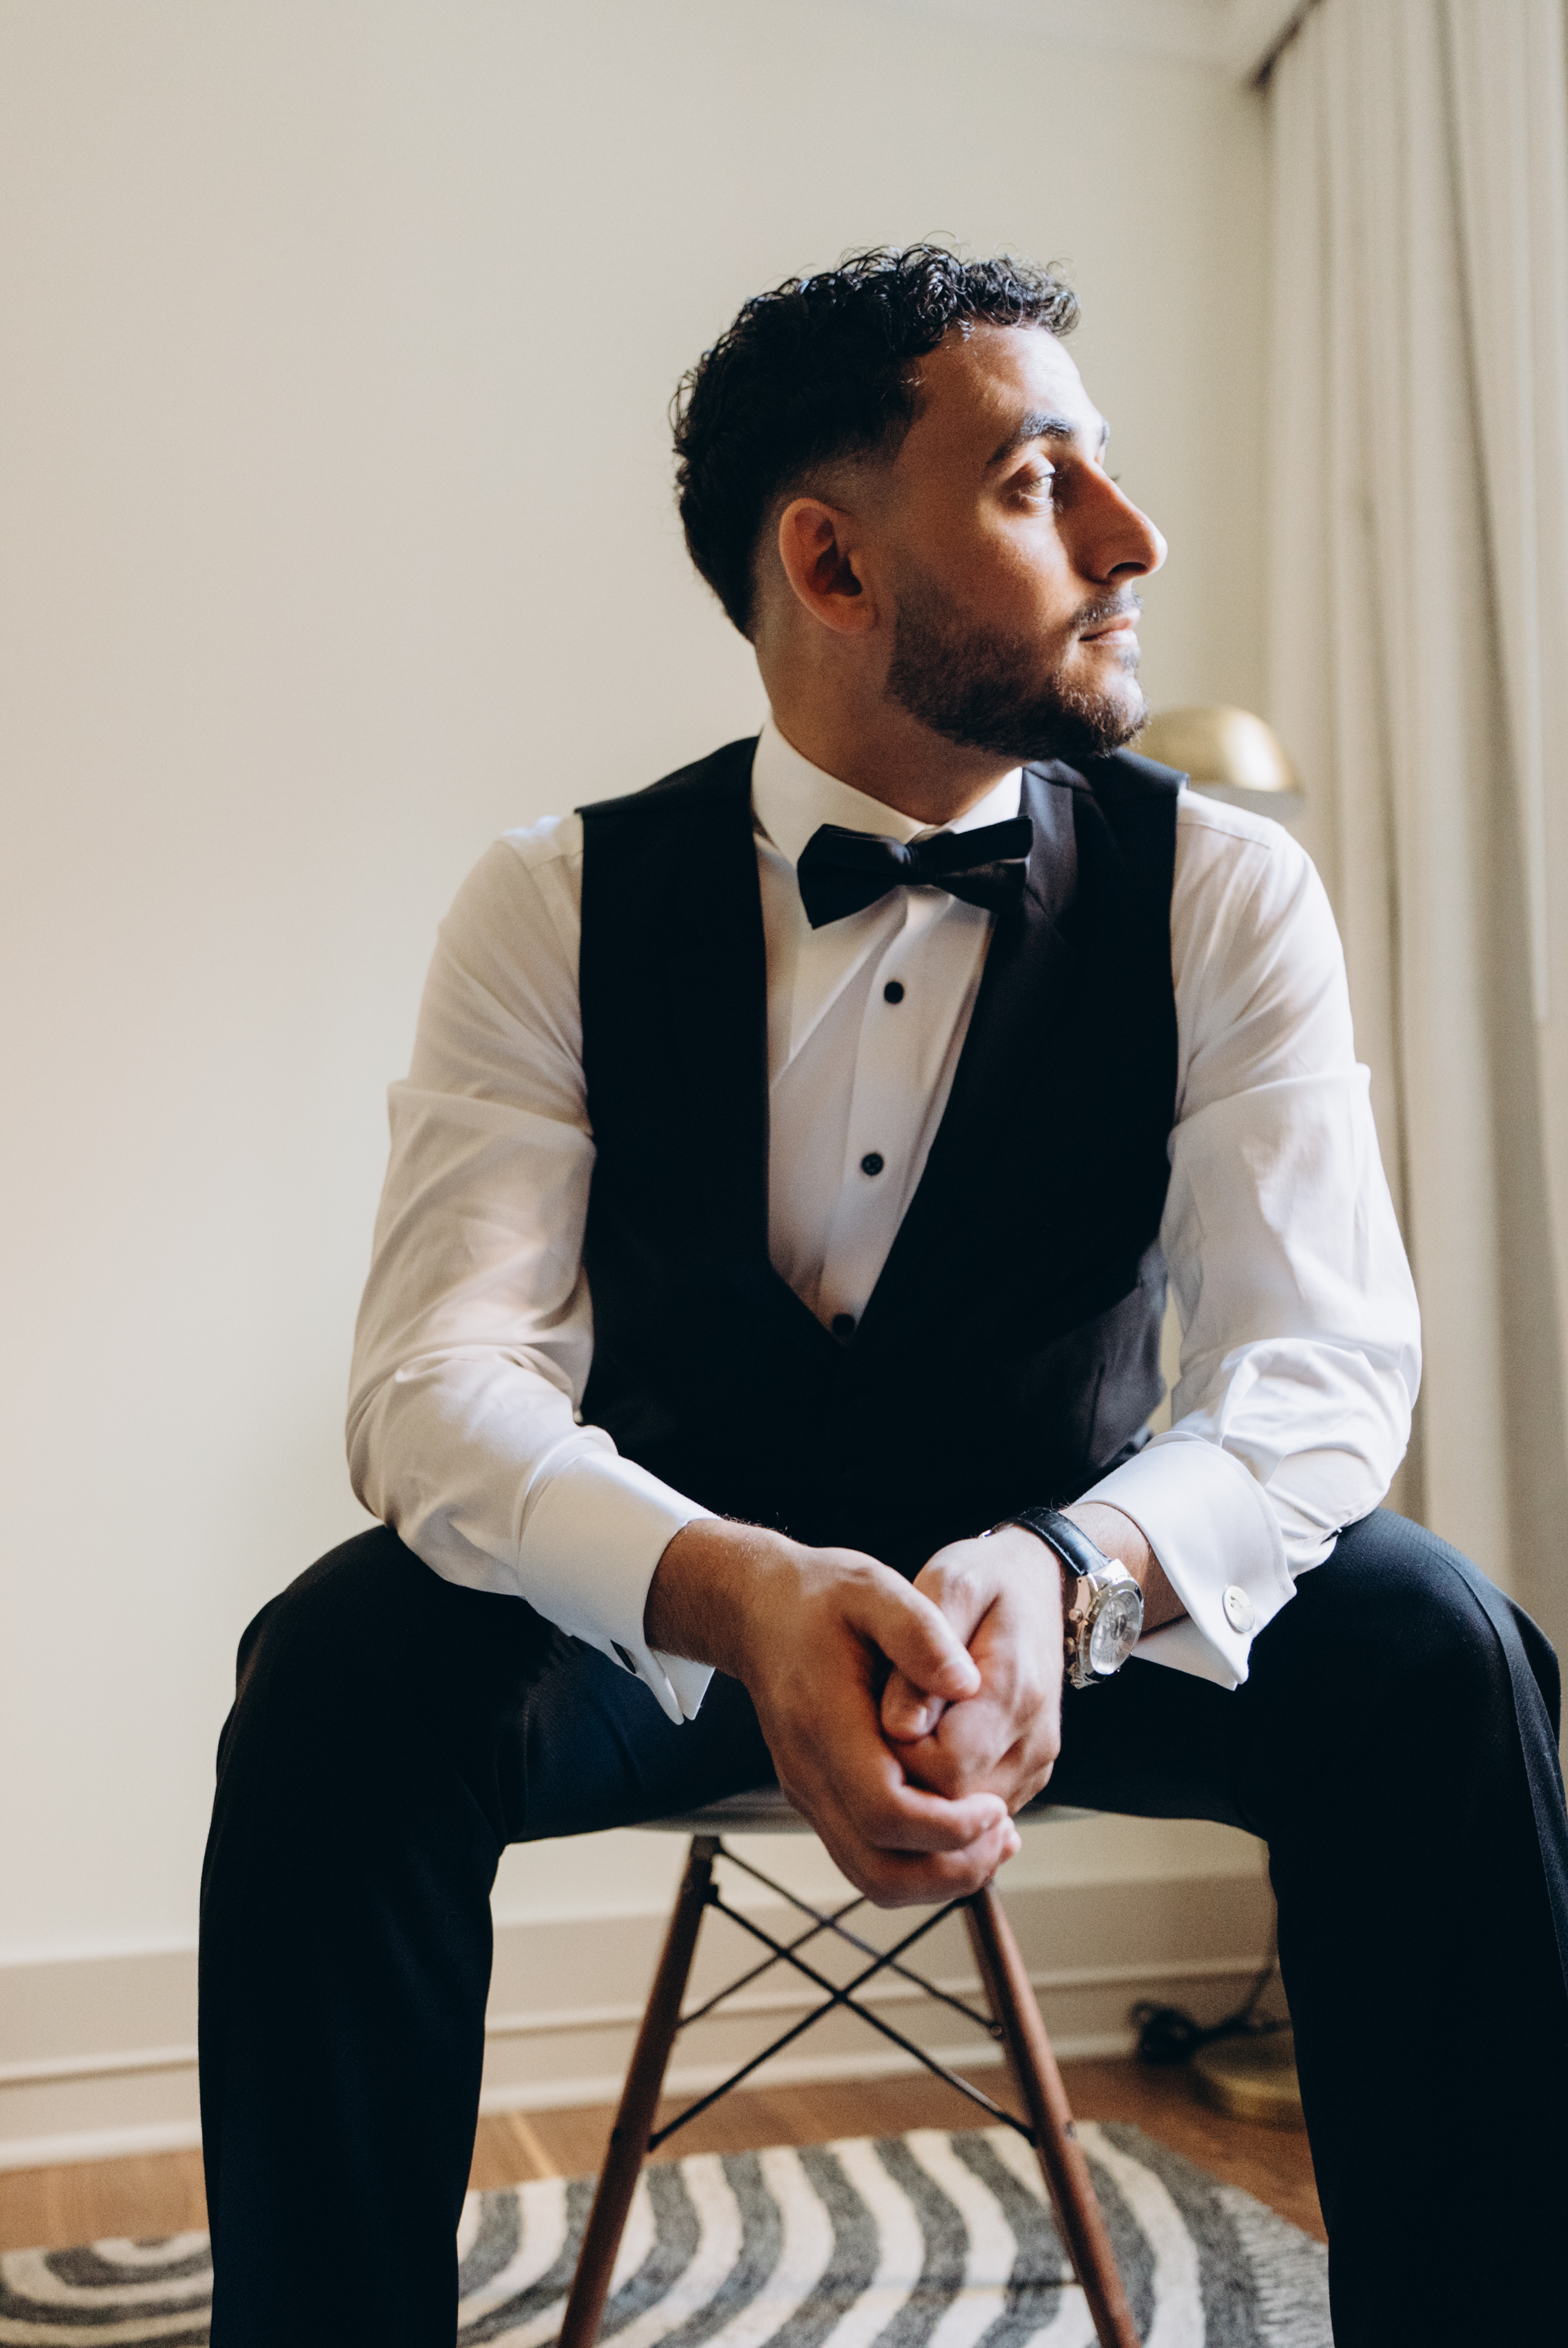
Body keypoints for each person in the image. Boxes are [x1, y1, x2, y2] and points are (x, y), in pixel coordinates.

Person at [198, 248, 1568, 2346]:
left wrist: (1079, 1575)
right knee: (335, 1680)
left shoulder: (1226, 890)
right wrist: (734, 1590)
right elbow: (436, 1383)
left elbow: (1318, 1362)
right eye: (1037, 484)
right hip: (669, 1626)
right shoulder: (548, 902)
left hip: (1071, 1603)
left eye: (1106, 470)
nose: (1135, 536)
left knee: (1444, 1655)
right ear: (830, 563)